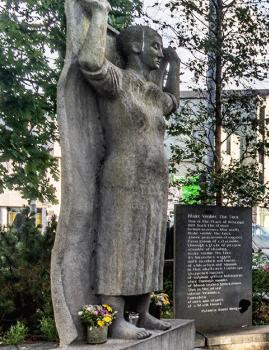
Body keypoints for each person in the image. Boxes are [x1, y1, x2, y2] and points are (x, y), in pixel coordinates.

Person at [76, 0, 180, 340]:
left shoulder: (152, 93)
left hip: (154, 181)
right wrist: (100, 13)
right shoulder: (118, 82)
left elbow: (173, 102)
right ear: (134, 45)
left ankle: (143, 311)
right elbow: (90, 61)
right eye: (155, 46)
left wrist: (174, 67)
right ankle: (113, 319)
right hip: (123, 176)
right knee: (119, 245)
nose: (159, 53)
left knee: (150, 245)